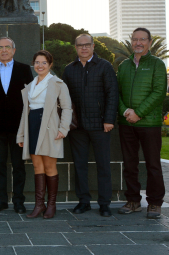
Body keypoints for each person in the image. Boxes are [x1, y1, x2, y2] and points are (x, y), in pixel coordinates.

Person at [62, 34, 118, 217]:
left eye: (87, 45)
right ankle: (83, 201)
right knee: (80, 165)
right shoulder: (69, 69)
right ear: (76, 47)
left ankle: (104, 204)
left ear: (93, 47)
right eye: (80, 45)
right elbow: (64, 99)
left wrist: (109, 119)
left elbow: (112, 94)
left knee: (103, 166)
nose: (84, 48)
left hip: (101, 125)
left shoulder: (104, 66)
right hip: (77, 128)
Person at [117, 27, 167, 219]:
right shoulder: (123, 66)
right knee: (129, 164)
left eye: (142, 39)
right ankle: (133, 201)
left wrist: (138, 113)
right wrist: (125, 111)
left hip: (149, 123)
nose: (138, 42)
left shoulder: (157, 64)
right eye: (135, 39)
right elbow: (117, 93)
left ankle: (154, 203)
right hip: (126, 123)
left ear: (149, 42)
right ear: (131, 41)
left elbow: (159, 93)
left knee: (153, 164)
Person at [0, 37, 33, 213]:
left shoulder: (24, 69)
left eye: (7, 47)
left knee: (19, 166)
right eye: (0, 47)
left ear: (14, 50)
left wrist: (28, 127)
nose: (4, 50)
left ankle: (19, 201)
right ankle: (1, 200)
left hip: (19, 127)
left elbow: (31, 99)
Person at [17, 50, 72, 219]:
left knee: (49, 167)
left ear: (50, 65)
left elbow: (67, 108)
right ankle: (39, 204)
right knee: (37, 167)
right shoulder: (30, 85)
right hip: (32, 125)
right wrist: (21, 135)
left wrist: (63, 129)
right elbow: (25, 112)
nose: (40, 66)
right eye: (37, 62)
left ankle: (52, 205)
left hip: (49, 127)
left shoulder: (57, 83)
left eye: (43, 63)